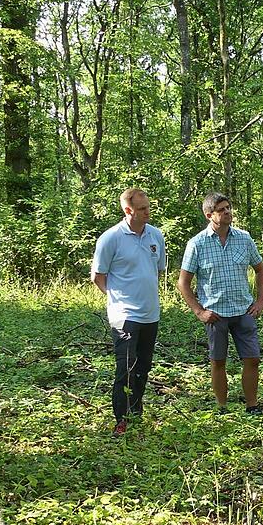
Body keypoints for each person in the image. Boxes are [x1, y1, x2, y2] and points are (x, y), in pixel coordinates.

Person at [176, 192, 263, 413]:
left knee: (252, 359)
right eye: (221, 210)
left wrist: (260, 301)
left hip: (244, 310)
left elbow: (260, 269)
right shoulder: (197, 244)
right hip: (215, 314)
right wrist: (199, 312)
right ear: (209, 215)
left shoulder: (244, 238)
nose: (227, 212)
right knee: (218, 361)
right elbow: (183, 283)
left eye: (228, 208)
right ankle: (222, 407)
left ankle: (252, 405)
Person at [91, 187, 166, 437]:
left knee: (143, 366)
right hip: (124, 315)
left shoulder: (156, 235)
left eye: (148, 207)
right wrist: (116, 298)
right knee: (125, 367)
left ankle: (136, 412)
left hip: (150, 313)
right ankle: (121, 420)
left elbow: (158, 270)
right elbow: (98, 276)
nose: (148, 212)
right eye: (142, 209)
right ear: (128, 210)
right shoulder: (111, 238)